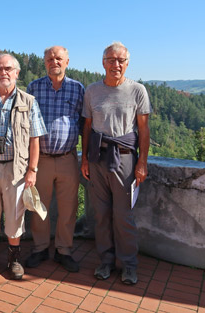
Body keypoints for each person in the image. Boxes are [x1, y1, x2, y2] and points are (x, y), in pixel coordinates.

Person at [0, 54, 46, 280]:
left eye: (8, 68)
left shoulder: (29, 101)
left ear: (17, 73)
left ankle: (14, 257)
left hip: (17, 169)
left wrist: (32, 170)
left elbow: (35, 138)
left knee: (15, 216)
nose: (3, 72)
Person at [81, 42, 150, 285]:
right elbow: (87, 127)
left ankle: (129, 265)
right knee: (101, 214)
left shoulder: (137, 90)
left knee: (123, 215)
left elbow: (143, 129)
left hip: (125, 159)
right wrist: (85, 160)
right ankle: (106, 261)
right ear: (103, 63)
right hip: (97, 158)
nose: (116, 64)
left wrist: (142, 162)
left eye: (120, 60)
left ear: (127, 64)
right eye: (111, 59)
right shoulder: (91, 91)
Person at [25, 46, 84, 272]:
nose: (54, 62)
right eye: (50, 59)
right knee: (39, 206)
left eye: (58, 58)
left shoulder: (78, 89)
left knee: (69, 208)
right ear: (44, 62)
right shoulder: (34, 87)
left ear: (67, 61)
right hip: (41, 159)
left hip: (68, 158)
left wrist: (85, 157)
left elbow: (84, 124)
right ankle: (40, 248)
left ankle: (64, 250)